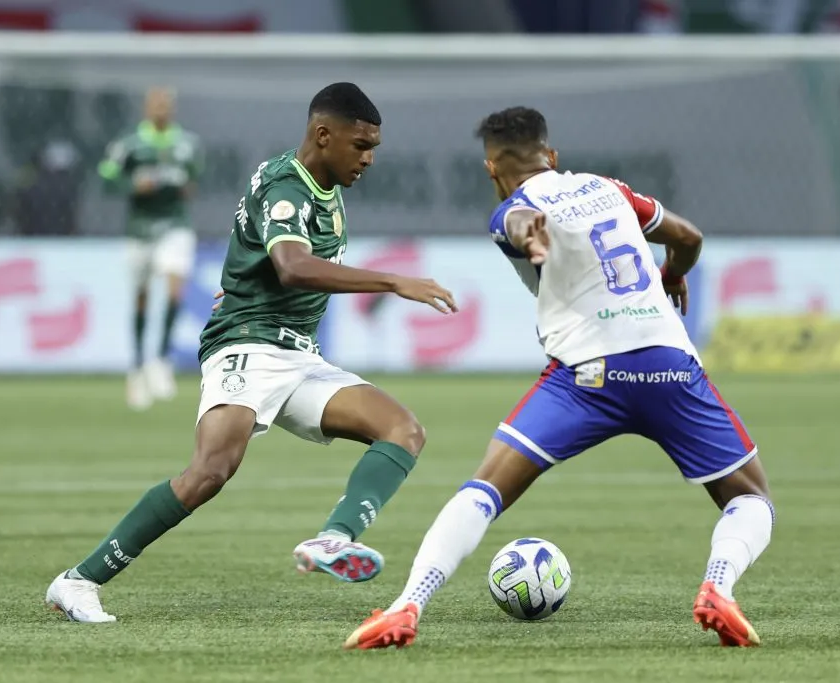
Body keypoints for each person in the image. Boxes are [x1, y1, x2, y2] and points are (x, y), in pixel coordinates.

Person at [344, 106, 774, 650]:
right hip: (667, 365)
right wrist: (672, 274)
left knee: (484, 489)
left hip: (585, 378)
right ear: (552, 156)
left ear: (490, 168)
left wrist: (532, 239)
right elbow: (688, 236)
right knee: (751, 497)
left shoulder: (512, 208)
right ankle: (718, 587)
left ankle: (407, 606)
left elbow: (516, 223)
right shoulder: (607, 188)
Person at [45, 82, 458, 623]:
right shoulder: (289, 185)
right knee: (210, 471)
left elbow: (260, 251)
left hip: (299, 357)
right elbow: (291, 265)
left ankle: (334, 539)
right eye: (361, 145)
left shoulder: (321, 187)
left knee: (403, 429)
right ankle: (78, 581)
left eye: (373, 146)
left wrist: (240, 276)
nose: (369, 158)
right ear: (323, 134)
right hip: (247, 345)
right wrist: (393, 281)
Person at [98, 87, 203, 410]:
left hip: (174, 225)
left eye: (166, 104)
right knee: (142, 298)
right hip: (140, 229)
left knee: (174, 289)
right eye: (156, 104)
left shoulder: (187, 144)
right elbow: (106, 177)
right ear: (146, 108)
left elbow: (194, 179)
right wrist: (132, 186)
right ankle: (137, 365)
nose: (161, 109)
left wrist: (184, 187)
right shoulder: (129, 143)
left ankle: (161, 358)